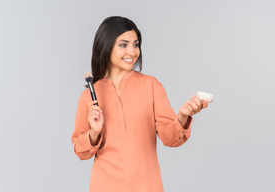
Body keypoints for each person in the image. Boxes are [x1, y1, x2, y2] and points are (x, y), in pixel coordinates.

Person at [71, 16, 209, 192]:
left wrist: (183, 115)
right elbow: (81, 152)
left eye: (136, 44)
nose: (133, 52)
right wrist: (93, 133)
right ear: (105, 46)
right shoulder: (89, 97)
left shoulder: (151, 86)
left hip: (147, 186)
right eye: (123, 45)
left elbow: (171, 139)